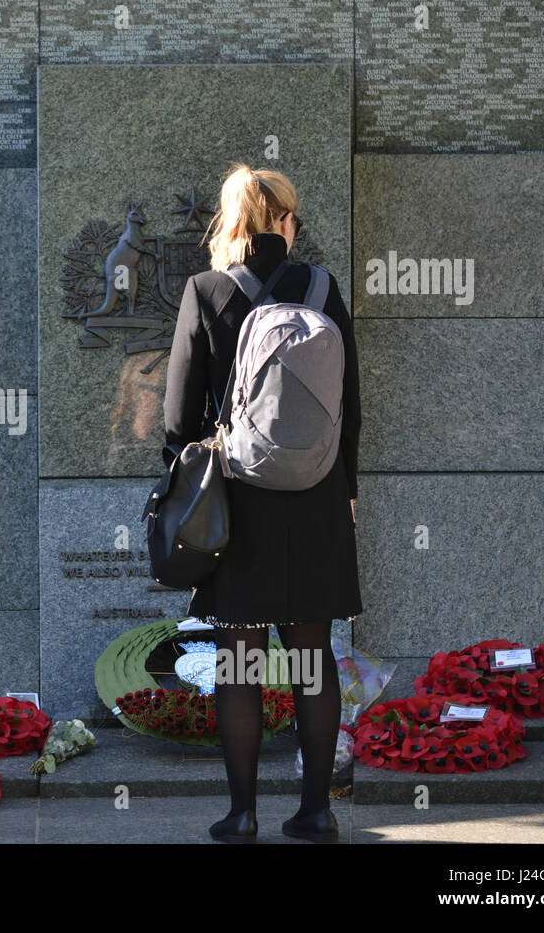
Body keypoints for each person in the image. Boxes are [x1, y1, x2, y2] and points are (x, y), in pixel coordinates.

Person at [162, 165, 362, 843]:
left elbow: (177, 417)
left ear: (231, 222)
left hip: (238, 499)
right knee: (312, 655)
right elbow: (352, 407)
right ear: (286, 221)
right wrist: (349, 492)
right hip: (318, 498)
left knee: (240, 660)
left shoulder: (206, 290)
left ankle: (241, 813)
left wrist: (187, 485)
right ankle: (316, 811)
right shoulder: (324, 289)